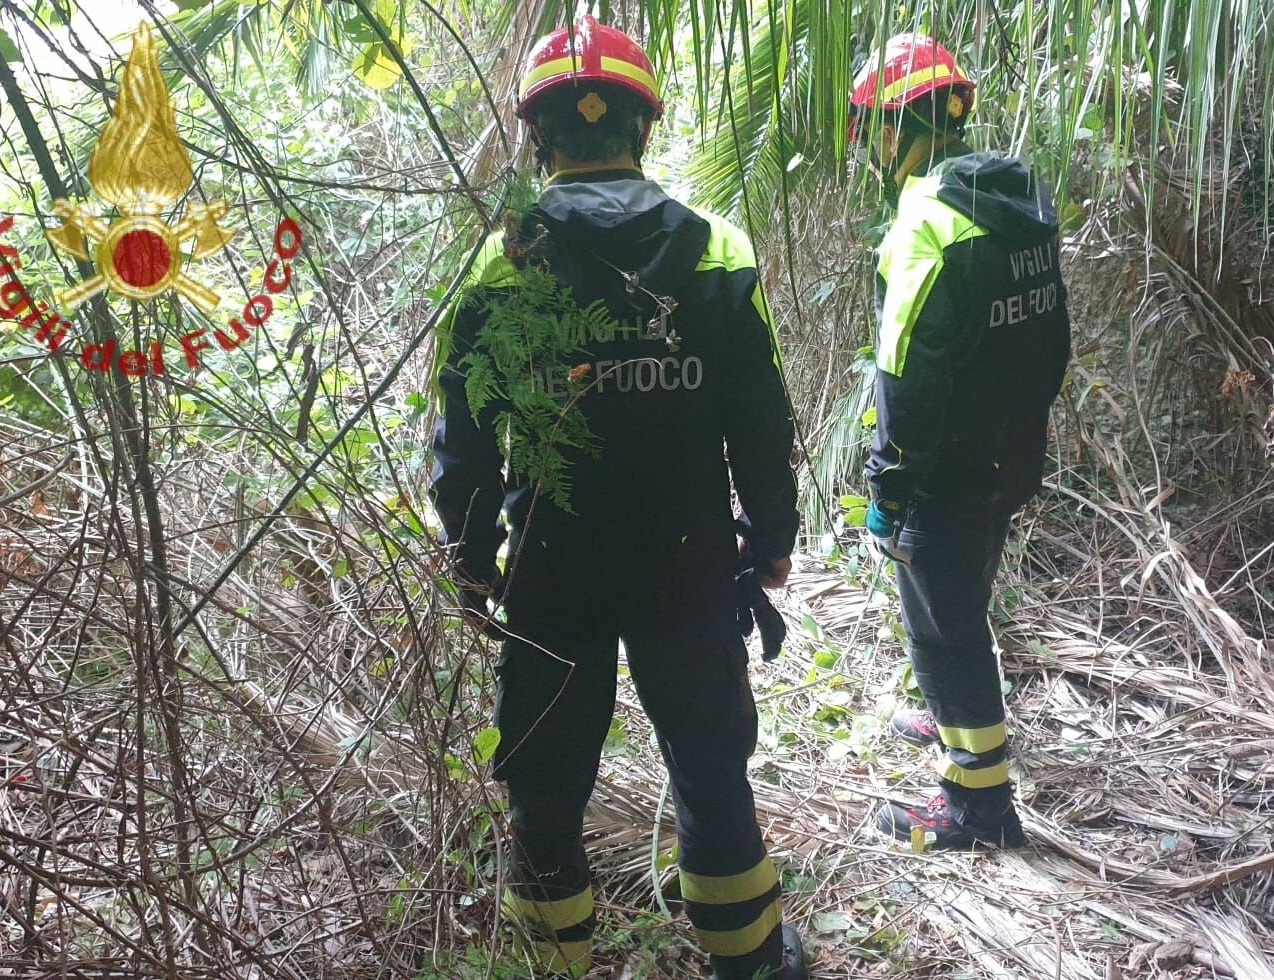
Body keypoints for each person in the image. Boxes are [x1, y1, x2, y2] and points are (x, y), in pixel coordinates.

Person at [429, 16, 807, 979]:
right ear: (642, 126)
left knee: (547, 788)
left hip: (554, 569)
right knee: (711, 769)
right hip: (688, 564)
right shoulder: (717, 250)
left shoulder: (501, 262)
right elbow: (761, 420)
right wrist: (772, 536)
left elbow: (464, 438)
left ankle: (554, 965)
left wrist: (471, 561)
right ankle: (752, 962)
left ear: (538, 134)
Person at [846, 34, 1073, 851]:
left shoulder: (925, 223)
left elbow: (905, 374)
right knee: (961, 595)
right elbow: (1052, 338)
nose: (870, 150)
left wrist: (890, 486)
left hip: (945, 469)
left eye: (870, 131)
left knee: (946, 628)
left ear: (894, 130)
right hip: (1012, 450)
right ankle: (950, 716)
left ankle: (978, 805)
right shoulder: (1020, 196)